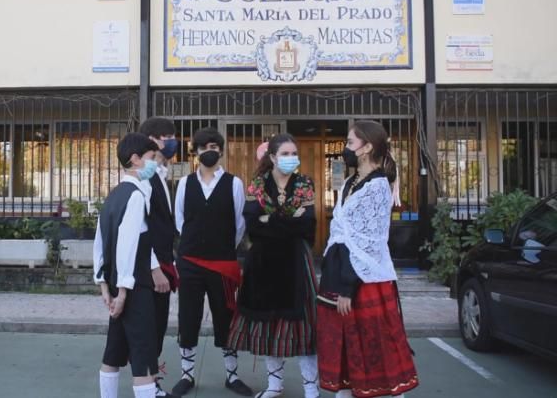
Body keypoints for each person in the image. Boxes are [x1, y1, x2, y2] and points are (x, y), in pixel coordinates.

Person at [316, 121, 418, 398]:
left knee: (375, 343)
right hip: (339, 272)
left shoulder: (377, 186)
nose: (345, 149)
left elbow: (367, 243)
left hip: (363, 279)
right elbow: (340, 233)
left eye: (350, 143)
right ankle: (346, 392)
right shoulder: (350, 181)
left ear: (367, 147)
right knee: (346, 345)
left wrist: (348, 287)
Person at [227, 133, 320, 398]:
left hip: (296, 262)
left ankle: (310, 389)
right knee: (269, 326)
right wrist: (289, 220)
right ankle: (275, 385)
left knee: (304, 327)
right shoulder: (257, 184)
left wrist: (272, 220)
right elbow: (253, 226)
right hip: (263, 263)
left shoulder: (304, 183)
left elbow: (308, 224)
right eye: (285, 154)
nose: (291, 159)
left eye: (294, 154)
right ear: (272, 157)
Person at [172, 127, 253, 397]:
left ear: (221, 150)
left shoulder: (234, 183)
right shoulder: (184, 183)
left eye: (214, 147)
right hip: (190, 261)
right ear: (195, 152)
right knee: (188, 317)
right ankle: (186, 375)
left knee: (226, 316)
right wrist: (196, 245)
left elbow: (239, 224)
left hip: (222, 262)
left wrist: (221, 248)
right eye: (204, 147)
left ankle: (232, 375)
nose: (210, 151)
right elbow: (181, 221)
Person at [93, 132, 167, 398]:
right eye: (150, 158)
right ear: (135, 160)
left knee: (113, 354)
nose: (154, 164)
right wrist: (123, 291)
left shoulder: (113, 195)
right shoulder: (135, 196)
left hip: (115, 285)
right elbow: (126, 245)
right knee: (144, 360)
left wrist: (104, 285)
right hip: (134, 287)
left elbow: (100, 242)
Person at [139, 117, 180, 398]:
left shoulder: (161, 175)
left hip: (165, 262)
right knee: (149, 329)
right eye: (166, 136)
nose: (171, 141)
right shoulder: (145, 177)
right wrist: (155, 268)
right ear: (151, 140)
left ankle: (151, 381)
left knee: (158, 326)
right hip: (152, 267)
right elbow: (142, 227)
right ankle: (147, 385)